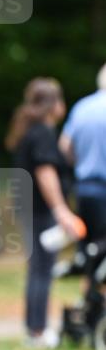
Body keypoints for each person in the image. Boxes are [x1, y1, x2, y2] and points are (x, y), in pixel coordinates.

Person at [5, 77, 84, 348]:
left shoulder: (34, 131)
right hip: (40, 211)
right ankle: (37, 331)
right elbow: (45, 173)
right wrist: (61, 210)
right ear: (54, 104)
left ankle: (34, 328)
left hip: (31, 208)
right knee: (42, 269)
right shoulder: (42, 133)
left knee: (39, 268)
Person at [59, 63, 106, 243]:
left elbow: (64, 146)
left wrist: (81, 162)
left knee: (90, 248)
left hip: (85, 188)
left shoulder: (82, 107)